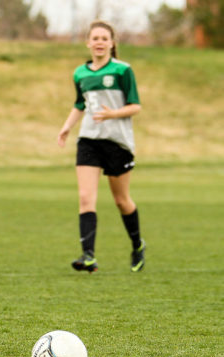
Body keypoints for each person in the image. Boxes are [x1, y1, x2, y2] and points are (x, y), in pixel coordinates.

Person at [57, 20, 146, 273]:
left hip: (117, 142)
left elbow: (136, 106)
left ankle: (137, 245)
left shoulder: (122, 71)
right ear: (88, 43)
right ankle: (88, 256)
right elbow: (80, 104)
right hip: (88, 140)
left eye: (104, 39)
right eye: (94, 38)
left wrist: (113, 114)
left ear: (112, 43)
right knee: (86, 198)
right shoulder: (80, 73)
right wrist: (67, 126)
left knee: (121, 200)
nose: (99, 42)